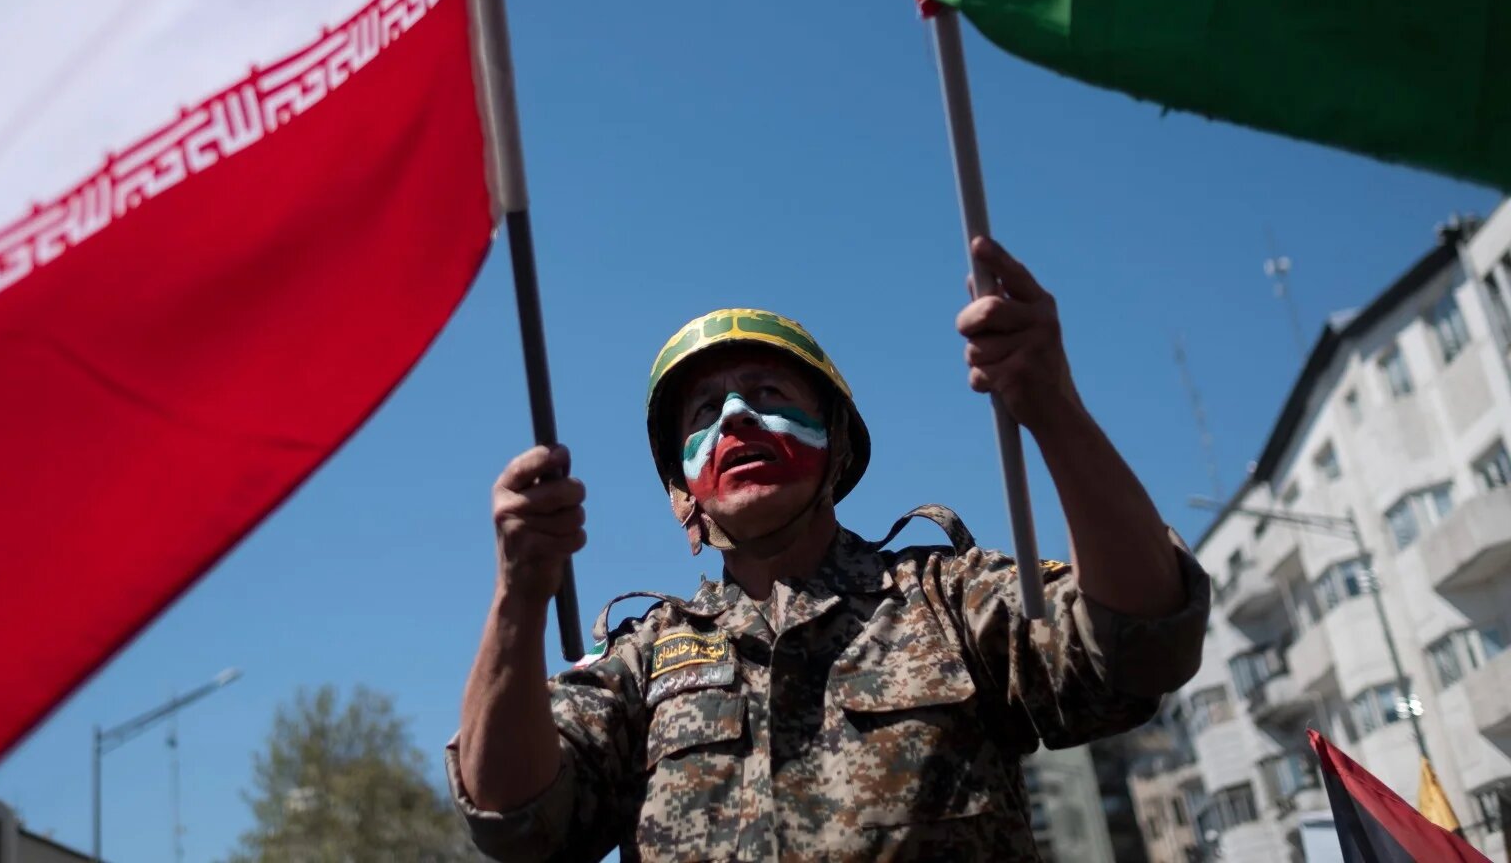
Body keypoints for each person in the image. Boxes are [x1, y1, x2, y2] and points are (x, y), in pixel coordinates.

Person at [444, 237, 1210, 861]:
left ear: (839, 447)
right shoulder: (639, 666)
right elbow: (514, 817)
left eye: (772, 395)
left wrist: (1053, 407)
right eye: (706, 411)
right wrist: (519, 594)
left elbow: (1145, 643)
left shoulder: (946, 598)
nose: (738, 418)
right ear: (682, 492)